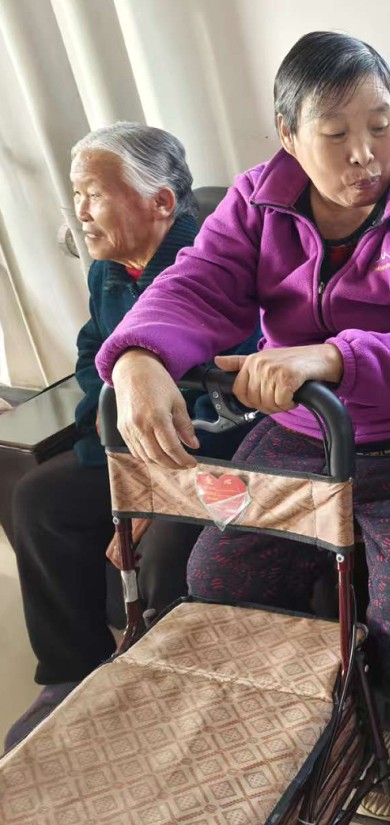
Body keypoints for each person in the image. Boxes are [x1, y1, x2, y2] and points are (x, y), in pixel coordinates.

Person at [94, 33, 390, 820]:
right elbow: (197, 284)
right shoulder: (256, 202)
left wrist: (331, 356)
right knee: (219, 572)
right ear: (288, 134)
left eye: (381, 124)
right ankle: (284, 712)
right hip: (311, 431)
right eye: (336, 132)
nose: (365, 153)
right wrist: (138, 356)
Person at [5, 122, 259, 753]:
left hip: (209, 460)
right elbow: (92, 358)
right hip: (130, 450)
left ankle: (168, 700)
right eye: (77, 194)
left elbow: (227, 406)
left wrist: (150, 495)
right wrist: (114, 458)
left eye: (93, 194)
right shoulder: (108, 269)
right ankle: (69, 672)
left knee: (169, 552)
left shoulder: (214, 267)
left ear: (161, 202)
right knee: (40, 499)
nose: (80, 211)